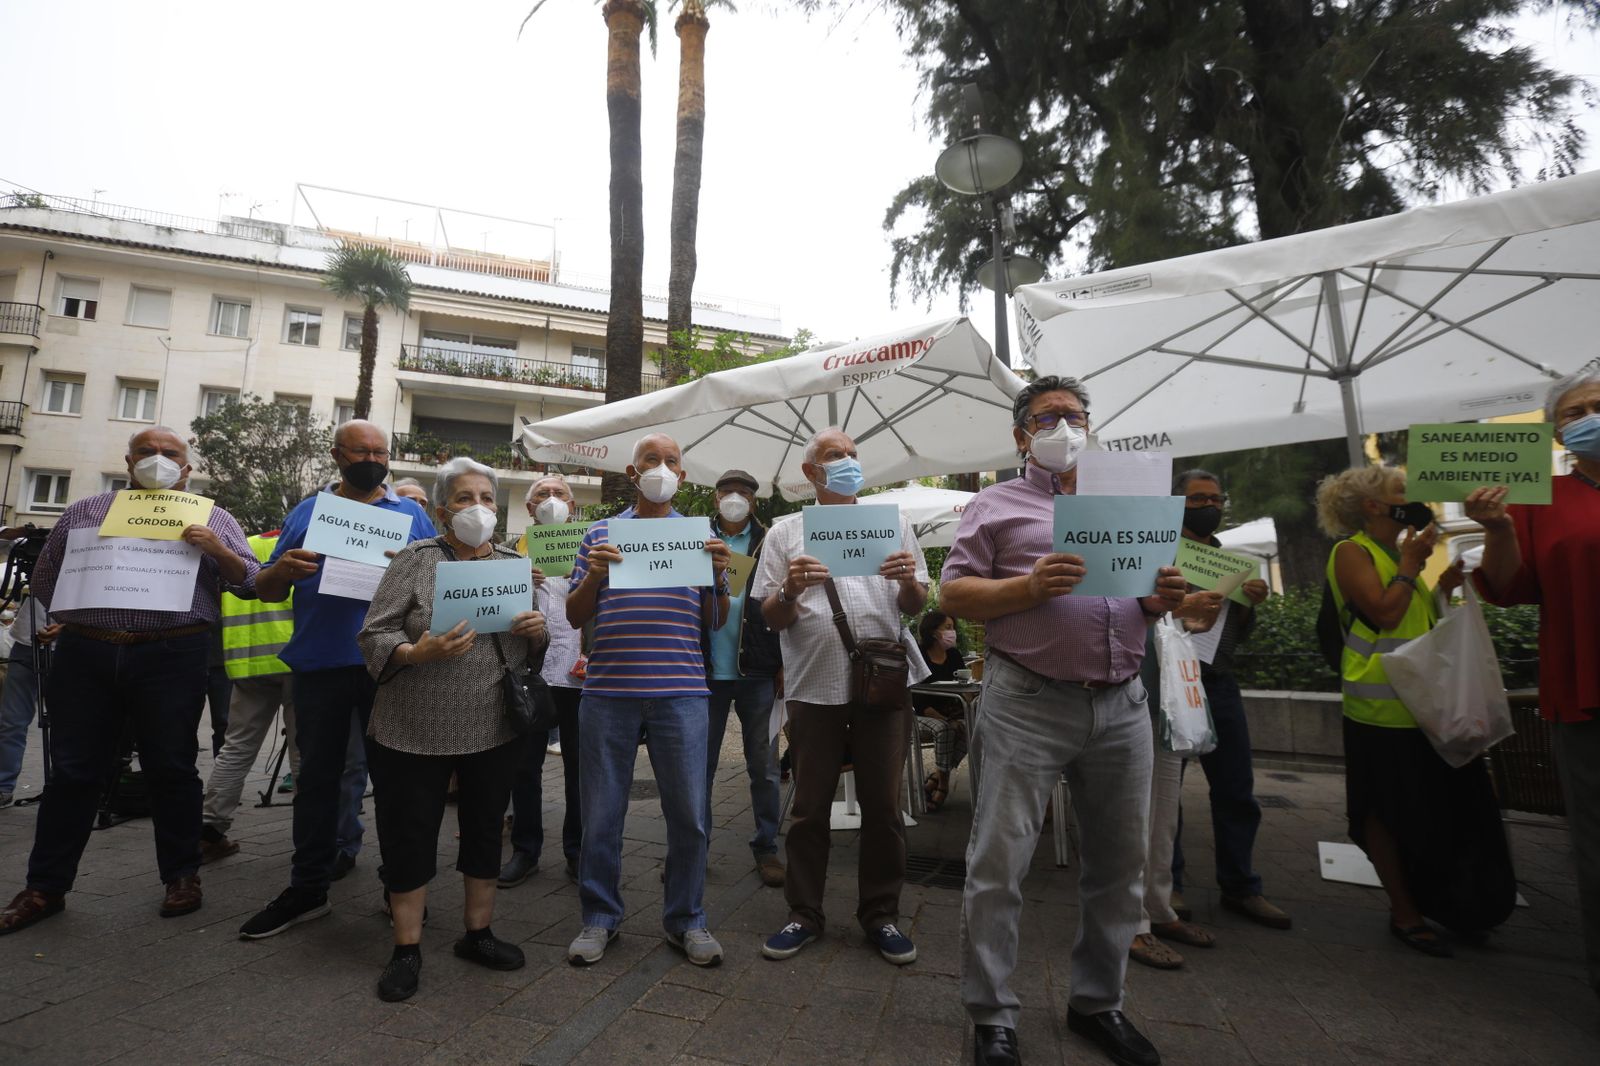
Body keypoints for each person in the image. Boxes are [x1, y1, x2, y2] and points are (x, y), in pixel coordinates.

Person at [940, 376, 1186, 1066]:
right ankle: (992, 1018)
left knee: (1118, 865)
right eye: (1049, 417)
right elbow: (952, 591)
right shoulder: (994, 505)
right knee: (999, 861)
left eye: (1075, 416)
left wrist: (1160, 597)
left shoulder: (1126, 506)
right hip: (1028, 703)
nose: (1065, 427)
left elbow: (1141, 598)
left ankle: (1098, 1004)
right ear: (1022, 436)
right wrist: (1026, 587)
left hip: (1121, 704)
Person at [0, 427, 260, 934]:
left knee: (172, 768)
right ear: (127, 461)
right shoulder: (85, 512)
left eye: (171, 455)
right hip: (88, 653)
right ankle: (44, 887)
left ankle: (182, 877)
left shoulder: (212, 517)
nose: (158, 460)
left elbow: (249, 581)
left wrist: (215, 549)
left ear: (187, 469)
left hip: (172, 653)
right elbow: (51, 580)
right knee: (73, 771)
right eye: (148, 452)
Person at [357, 457, 547, 1001]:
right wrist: (416, 652)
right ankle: (406, 946)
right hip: (412, 728)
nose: (479, 509)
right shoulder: (416, 561)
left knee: (485, 827)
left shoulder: (512, 564)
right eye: (465, 499)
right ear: (442, 512)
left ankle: (478, 933)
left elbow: (529, 650)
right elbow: (374, 632)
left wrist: (536, 632)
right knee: (408, 832)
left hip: (493, 728)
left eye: (487, 498)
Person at [237, 420, 435, 941]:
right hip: (321, 665)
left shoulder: (412, 515)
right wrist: (284, 570)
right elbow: (266, 588)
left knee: (396, 784)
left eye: (380, 451)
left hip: (388, 666)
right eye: (360, 450)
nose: (372, 458)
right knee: (317, 783)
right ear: (337, 455)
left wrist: (410, 579)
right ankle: (308, 888)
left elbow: (432, 590)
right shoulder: (309, 510)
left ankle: (401, 890)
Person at [1318, 464, 1515, 958]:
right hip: (1381, 714)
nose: (1415, 496)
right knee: (1383, 810)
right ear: (1372, 506)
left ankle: (1454, 899)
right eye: (1401, 491)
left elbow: (1407, 615)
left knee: (1443, 808)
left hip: (1426, 708)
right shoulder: (1352, 551)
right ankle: (1404, 912)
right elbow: (1384, 612)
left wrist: (1440, 587)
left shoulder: (1398, 552)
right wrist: (1411, 563)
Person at [753, 428, 929, 967]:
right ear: (812, 473)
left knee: (883, 807)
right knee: (808, 810)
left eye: (853, 454)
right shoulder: (785, 533)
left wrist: (907, 582)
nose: (849, 462)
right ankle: (803, 913)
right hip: (814, 685)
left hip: (883, 683)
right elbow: (769, 617)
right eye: (835, 455)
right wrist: (789, 589)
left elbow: (917, 603)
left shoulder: (893, 523)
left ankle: (881, 915)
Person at [564, 434, 731, 968]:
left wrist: (721, 578)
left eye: (671, 462)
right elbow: (572, 616)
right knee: (602, 812)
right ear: (633, 475)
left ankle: (688, 920)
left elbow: (716, 620)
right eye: (651, 461)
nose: (661, 468)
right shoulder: (600, 533)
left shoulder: (699, 534)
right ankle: (599, 917)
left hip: (682, 691)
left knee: (690, 814)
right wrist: (593, 574)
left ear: (683, 476)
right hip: (608, 691)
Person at [1470, 368, 1600, 997]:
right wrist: (1496, 529)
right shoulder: (1538, 498)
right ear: (1556, 432)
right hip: (1585, 696)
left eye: (1598, 405)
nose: (1589, 417)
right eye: (1576, 412)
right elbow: (1507, 588)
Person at [1167, 470, 1292, 932]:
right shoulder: (1159, 552)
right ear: (1175, 503)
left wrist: (1246, 604)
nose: (1210, 506)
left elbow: (1234, 634)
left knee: (1237, 790)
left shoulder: (1226, 560)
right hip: (1172, 682)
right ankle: (1168, 883)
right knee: (1166, 792)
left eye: (1216, 498)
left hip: (1218, 682)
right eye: (1198, 498)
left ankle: (1241, 887)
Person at [1129, 594, 1222, 972]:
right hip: (1127, 693)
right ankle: (1131, 921)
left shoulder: (1165, 543)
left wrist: (1186, 614)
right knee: (1132, 818)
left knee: (1164, 812)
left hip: (1167, 695)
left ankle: (1158, 906)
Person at [501, 474, 585, 888]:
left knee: (579, 766)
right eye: (542, 496)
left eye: (559, 495)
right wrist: (518, 583)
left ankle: (578, 849)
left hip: (578, 672)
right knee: (524, 767)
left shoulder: (592, 549)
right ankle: (526, 849)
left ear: (573, 506)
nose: (552, 500)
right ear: (529, 509)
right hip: (528, 676)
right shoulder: (505, 554)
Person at [704, 468, 785, 888]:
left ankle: (766, 847)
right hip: (702, 673)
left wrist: (784, 662)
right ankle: (693, 850)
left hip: (757, 669)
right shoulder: (696, 538)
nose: (734, 497)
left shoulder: (771, 539)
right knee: (699, 766)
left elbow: (785, 601)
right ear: (715, 499)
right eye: (726, 491)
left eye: (742, 493)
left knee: (765, 767)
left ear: (753, 502)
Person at [200, 529, 299, 863]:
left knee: (237, 746)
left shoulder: (242, 546)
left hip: (248, 660)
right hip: (296, 658)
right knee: (304, 751)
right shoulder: (306, 544)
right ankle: (311, 835)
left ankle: (211, 829)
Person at [0, 591, 60, 809]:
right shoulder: (44, 560)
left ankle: (62, 785)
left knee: (64, 723)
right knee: (11, 721)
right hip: (26, 641)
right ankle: (3, 787)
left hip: (66, 645)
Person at [913, 610, 967, 811]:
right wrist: (945, 718)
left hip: (952, 712)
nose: (952, 632)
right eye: (948, 627)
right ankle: (943, 786)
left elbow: (964, 685)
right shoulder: (919, 654)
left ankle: (936, 775)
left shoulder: (953, 655)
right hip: (921, 714)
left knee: (973, 728)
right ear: (934, 631)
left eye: (953, 628)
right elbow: (916, 697)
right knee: (945, 729)